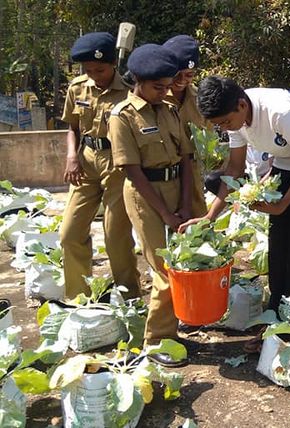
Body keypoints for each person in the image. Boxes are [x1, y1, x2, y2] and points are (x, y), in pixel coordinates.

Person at [181, 77, 290, 352]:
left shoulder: (280, 112)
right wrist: (209, 217)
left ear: (241, 105)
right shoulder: (235, 116)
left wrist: (284, 202)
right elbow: (234, 169)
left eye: (226, 123)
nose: (224, 128)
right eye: (219, 125)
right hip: (286, 163)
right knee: (278, 248)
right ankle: (275, 319)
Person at [108, 44, 195, 367]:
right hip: (146, 197)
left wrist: (185, 206)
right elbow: (133, 171)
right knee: (164, 268)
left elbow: (185, 158)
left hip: (176, 190)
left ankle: (170, 333)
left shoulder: (169, 110)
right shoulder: (122, 117)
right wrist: (165, 214)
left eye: (167, 86)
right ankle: (156, 342)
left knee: (181, 265)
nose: (164, 92)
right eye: (158, 87)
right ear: (138, 83)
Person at [59, 32, 141, 299]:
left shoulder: (129, 90)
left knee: (115, 237)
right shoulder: (77, 88)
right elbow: (72, 127)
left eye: (100, 69)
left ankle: (129, 297)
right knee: (69, 233)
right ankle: (78, 297)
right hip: (85, 162)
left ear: (113, 65)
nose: (95, 74)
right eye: (89, 70)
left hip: (118, 164)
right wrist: (72, 156)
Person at [163, 34, 209, 218]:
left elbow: (208, 137)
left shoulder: (200, 100)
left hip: (193, 178)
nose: (182, 80)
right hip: (164, 177)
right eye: (176, 74)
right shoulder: (154, 99)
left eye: (188, 75)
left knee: (196, 229)